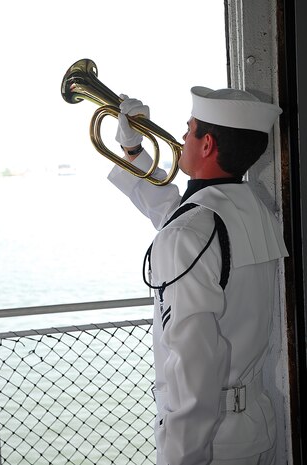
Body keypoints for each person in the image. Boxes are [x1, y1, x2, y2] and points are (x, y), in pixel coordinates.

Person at [107, 87, 288, 465]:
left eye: (188, 131)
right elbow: (179, 216)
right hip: (254, 426)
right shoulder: (252, 208)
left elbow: (196, 367)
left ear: (206, 145)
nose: (181, 137)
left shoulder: (192, 231)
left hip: (210, 443)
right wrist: (134, 153)